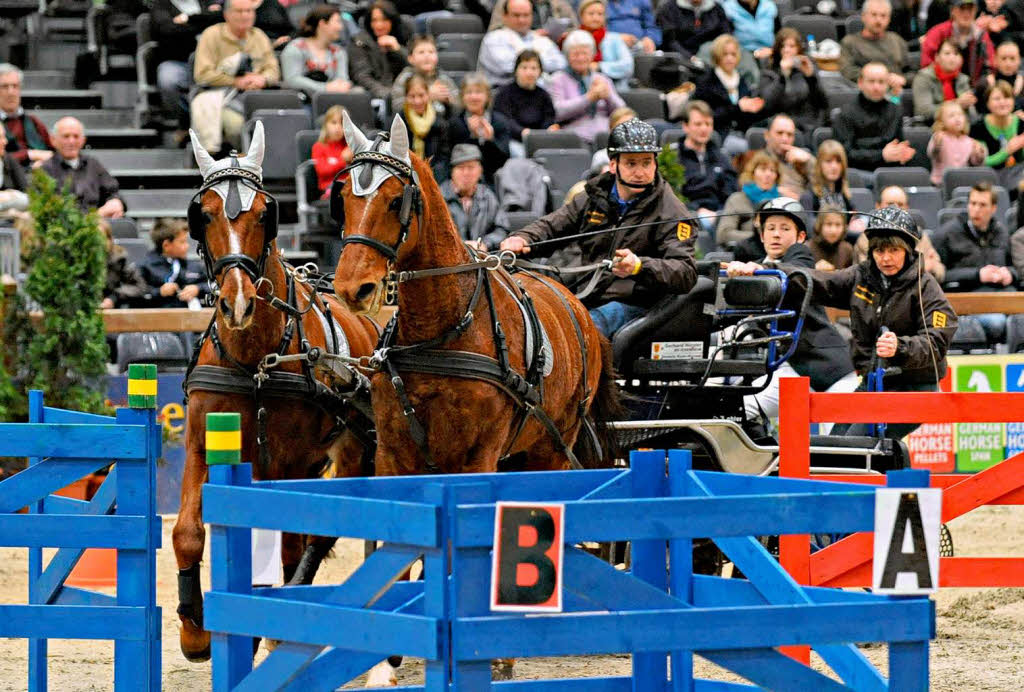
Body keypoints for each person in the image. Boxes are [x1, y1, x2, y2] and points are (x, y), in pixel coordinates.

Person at [499, 118, 697, 338]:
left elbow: (685, 272)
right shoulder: (595, 196)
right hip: (587, 292)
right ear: (613, 165)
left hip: (638, 304)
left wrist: (640, 266)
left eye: (647, 162)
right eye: (631, 163)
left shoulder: (672, 211)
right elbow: (554, 225)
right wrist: (524, 238)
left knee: (584, 329)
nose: (641, 172)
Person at [814, 206, 958, 440]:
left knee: (856, 448)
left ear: (908, 251)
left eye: (894, 250)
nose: (886, 258)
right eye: (879, 250)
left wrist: (900, 347)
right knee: (834, 445)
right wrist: (769, 271)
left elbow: (937, 340)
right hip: (873, 382)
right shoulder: (861, 275)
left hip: (917, 389)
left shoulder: (926, 287)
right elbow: (820, 281)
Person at [723, 198, 859, 435]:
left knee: (840, 441)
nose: (776, 235)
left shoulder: (801, 258)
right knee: (737, 409)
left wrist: (756, 272)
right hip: (786, 369)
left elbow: (791, 273)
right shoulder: (753, 267)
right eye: (770, 228)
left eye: (785, 229)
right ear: (761, 235)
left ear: (800, 237)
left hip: (830, 372)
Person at [191, 0, 281, 153]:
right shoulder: (211, 35)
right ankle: (244, 162)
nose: (245, 15)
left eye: (249, 11)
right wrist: (235, 81)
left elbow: (273, 70)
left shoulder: (259, 36)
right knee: (236, 126)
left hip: (258, 95)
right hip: (222, 96)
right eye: (239, 11)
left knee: (280, 122)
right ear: (227, 15)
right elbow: (202, 74)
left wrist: (262, 79)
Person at [934, 181, 1016, 341]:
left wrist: (1009, 274)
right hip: (968, 300)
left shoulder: (1002, 233)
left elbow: (1015, 268)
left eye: (982, 205)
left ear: (993, 208)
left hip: (1003, 297)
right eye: (973, 203)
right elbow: (940, 276)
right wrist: (978, 275)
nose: (976, 209)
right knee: (997, 323)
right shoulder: (947, 234)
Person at [150, 0, 222, 140]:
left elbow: (222, 18)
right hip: (179, 62)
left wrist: (188, 19)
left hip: (214, 64)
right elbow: (167, 29)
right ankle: (186, 120)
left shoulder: (206, 2)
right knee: (167, 79)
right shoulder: (161, 5)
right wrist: (204, 22)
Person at [853, 185, 947, 282]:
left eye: (900, 204)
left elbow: (939, 271)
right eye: (890, 204)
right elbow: (871, 275)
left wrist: (933, 267)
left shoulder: (918, 235)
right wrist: (921, 267)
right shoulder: (867, 237)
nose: (896, 208)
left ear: (907, 207)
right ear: (878, 206)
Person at [834, 63, 915, 174]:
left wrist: (901, 152)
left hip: (889, 171)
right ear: (860, 83)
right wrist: (881, 155)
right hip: (856, 173)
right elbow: (844, 154)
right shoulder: (845, 114)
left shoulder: (895, 111)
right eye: (871, 81)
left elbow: (897, 143)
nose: (876, 87)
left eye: (881, 82)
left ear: (887, 84)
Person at [547, 30, 626, 144]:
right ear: (567, 56)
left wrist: (608, 95)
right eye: (575, 54)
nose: (581, 58)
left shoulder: (602, 79)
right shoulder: (558, 79)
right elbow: (557, 112)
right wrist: (588, 98)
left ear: (592, 55)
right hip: (574, 137)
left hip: (605, 136)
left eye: (585, 53)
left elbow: (622, 111)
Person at [41, 117, 126, 219]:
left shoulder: (93, 165)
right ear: (53, 140)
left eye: (76, 136)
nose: (71, 141)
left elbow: (112, 192)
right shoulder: (44, 170)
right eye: (66, 136)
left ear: (83, 140)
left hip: (97, 227)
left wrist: (116, 202)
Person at [676, 100, 738, 229]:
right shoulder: (674, 157)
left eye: (708, 124)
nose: (704, 129)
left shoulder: (722, 157)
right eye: (698, 124)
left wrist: (719, 213)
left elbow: (731, 192)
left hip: (720, 215)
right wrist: (697, 211)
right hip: (686, 216)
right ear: (685, 126)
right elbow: (671, 197)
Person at [479, 0, 568, 86]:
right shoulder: (493, 39)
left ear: (532, 16)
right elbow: (507, 67)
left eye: (526, 15)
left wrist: (528, 64)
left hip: (538, 93)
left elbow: (561, 64)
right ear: (504, 16)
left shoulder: (541, 39)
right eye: (516, 15)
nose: (521, 20)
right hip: (502, 93)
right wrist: (540, 62)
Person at [693, 34, 764, 142]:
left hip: (742, 133)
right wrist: (737, 108)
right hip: (716, 135)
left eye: (733, 54)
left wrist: (754, 109)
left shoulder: (742, 82)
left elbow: (745, 118)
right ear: (717, 55)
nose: (729, 58)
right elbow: (707, 117)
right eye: (725, 54)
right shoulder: (706, 82)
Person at [757, 29, 827, 136]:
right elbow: (766, 105)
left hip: (805, 126)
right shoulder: (768, 70)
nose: (787, 50)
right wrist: (782, 77)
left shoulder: (807, 66)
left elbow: (822, 103)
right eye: (783, 46)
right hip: (779, 126)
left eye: (791, 46)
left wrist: (810, 78)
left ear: (799, 49)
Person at [441, 144, 510, 251]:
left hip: (482, 260)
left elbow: (502, 229)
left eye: (471, 167)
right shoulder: (440, 198)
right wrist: (461, 246)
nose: (466, 173)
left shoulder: (488, 196)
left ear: (480, 171)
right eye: (460, 168)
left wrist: (484, 244)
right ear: (452, 172)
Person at [449, 73, 512, 187]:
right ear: (462, 97)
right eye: (469, 92)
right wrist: (471, 135)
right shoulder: (454, 123)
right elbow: (451, 157)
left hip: (492, 180)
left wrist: (489, 140)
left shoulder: (500, 121)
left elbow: (504, 161)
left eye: (478, 92)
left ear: (487, 96)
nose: (474, 97)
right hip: (461, 180)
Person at [493, 49, 558, 155]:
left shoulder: (544, 95)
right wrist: (522, 132)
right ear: (516, 70)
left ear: (540, 71)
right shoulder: (504, 94)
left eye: (534, 68)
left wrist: (548, 130)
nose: (529, 72)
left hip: (540, 140)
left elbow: (549, 118)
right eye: (524, 67)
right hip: (513, 140)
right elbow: (504, 120)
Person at [281, 5, 354, 98]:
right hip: (300, 102)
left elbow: (342, 80)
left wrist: (342, 85)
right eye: (338, 22)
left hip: (331, 101)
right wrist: (325, 88)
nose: (341, 27)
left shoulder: (338, 52)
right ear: (322, 23)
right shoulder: (295, 48)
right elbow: (292, 80)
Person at [839, 0, 913, 88]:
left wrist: (904, 79)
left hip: (897, 92)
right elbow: (847, 71)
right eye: (874, 15)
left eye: (883, 16)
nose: (878, 20)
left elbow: (911, 71)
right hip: (865, 93)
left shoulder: (897, 40)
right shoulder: (850, 42)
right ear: (863, 16)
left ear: (889, 19)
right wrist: (881, 78)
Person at [139, 219, 210, 308]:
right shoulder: (145, 267)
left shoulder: (194, 266)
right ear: (166, 245)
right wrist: (159, 292)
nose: (187, 246)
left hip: (190, 317)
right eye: (182, 242)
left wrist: (198, 289)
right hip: (157, 317)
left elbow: (213, 286)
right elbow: (137, 293)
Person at [921, 0, 996, 85]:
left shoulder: (981, 35)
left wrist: (988, 76)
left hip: (973, 86)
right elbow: (926, 64)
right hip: (942, 84)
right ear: (953, 11)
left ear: (975, 11)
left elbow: (990, 64)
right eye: (962, 9)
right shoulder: (938, 33)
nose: (966, 13)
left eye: (970, 9)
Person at [346, 0, 409, 101]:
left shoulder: (402, 38)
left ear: (392, 20)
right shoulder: (359, 42)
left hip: (404, 94)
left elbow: (414, 68)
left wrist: (398, 49)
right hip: (374, 95)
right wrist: (388, 94)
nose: (379, 25)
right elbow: (362, 76)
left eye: (384, 20)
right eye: (374, 20)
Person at [717, 151, 780, 248]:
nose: (768, 174)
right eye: (763, 169)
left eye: (772, 170)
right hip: (746, 253)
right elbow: (724, 234)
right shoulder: (737, 199)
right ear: (752, 173)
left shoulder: (782, 201)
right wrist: (758, 238)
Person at [971, 81, 1024, 191]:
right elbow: (982, 162)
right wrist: (1007, 151)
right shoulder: (978, 127)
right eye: (997, 99)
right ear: (987, 103)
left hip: (1018, 175)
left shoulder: (1021, 123)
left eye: (1007, 97)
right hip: (988, 177)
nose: (1003, 102)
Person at [399, 74, 452, 182]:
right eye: (412, 96)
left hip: (434, 175)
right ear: (406, 97)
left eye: (421, 95)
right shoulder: (399, 121)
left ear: (428, 95)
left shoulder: (440, 121)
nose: (417, 101)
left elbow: (444, 156)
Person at [390, 35, 460, 116]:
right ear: (411, 58)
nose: (427, 56)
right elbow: (397, 107)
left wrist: (449, 100)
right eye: (421, 52)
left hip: (441, 123)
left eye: (431, 52)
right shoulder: (405, 78)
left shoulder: (443, 78)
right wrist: (426, 97)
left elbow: (459, 106)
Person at [0, 63, 53, 170]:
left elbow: (54, 153)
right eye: (4, 87)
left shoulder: (34, 122)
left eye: (15, 86)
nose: (11, 92)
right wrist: (29, 154)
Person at [912, 39, 976, 121]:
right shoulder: (923, 77)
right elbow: (923, 111)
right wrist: (957, 103)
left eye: (956, 54)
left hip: (958, 127)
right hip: (931, 125)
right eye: (947, 53)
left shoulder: (963, 79)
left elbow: (971, 115)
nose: (952, 58)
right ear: (937, 57)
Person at [576, 0, 635, 88]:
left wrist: (599, 67)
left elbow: (628, 65)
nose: (596, 18)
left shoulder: (613, 39)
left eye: (600, 14)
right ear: (581, 16)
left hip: (615, 88)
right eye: (591, 14)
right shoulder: (575, 39)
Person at [928, 101, 986, 184]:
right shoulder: (939, 137)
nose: (957, 118)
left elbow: (975, 162)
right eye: (951, 116)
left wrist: (978, 154)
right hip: (940, 183)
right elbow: (932, 154)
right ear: (941, 122)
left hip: (962, 182)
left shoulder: (968, 141)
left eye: (960, 115)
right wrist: (937, 144)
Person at [657, 0, 733, 59]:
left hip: (710, 57)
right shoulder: (668, 8)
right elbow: (670, 41)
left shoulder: (717, 9)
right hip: (679, 59)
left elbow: (725, 36)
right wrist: (690, 57)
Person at [100, 219, 148, 309]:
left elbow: (139, 287)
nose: (99, 243)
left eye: (102, 238)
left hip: (112, 310)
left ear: (110, 240)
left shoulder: (119, 259)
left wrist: (113, 298)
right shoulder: (76, 261)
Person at [800, 139, 855, 215]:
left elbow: (854, 216)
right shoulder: (809, 197)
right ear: (819, 165)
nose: (834, 166)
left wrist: (857, 221)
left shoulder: (844, 195)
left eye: (838, 161)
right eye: (828, 161)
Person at [974, 40, 1024, 114]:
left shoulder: (1022, 83)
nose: (1008, 63)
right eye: (1003, 58)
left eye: (1012, 58)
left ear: (1019, 60)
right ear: (995, 60)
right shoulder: (985, 83)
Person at [311, 105, 352, 198]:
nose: (338, 127)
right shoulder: (319, 147)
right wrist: (343, 160)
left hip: (349, 189)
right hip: (329, 190)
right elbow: (322, 170)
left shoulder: (349, 148)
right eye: (334, 122)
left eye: (342, 124)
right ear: (326, 125)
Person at [487, 0, 579, 33]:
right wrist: (530, 35)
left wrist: (564, 35)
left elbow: (575, 28)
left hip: (552, 46)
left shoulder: (559, 3)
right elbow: (494, 31)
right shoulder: (508, 2)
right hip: (516, 46)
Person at [810, 205, 855, 271]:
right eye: (829, 224)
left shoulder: (847, 249)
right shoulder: (808, 248)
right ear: (819, 225)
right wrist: (813, 269)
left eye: (838, 225)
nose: (833, 230)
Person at [0, 122, 29, 218]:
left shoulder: (8, 159)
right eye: (0, 138)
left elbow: (27, 193)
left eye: (4, 137)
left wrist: (11, 196)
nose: (5, 141)